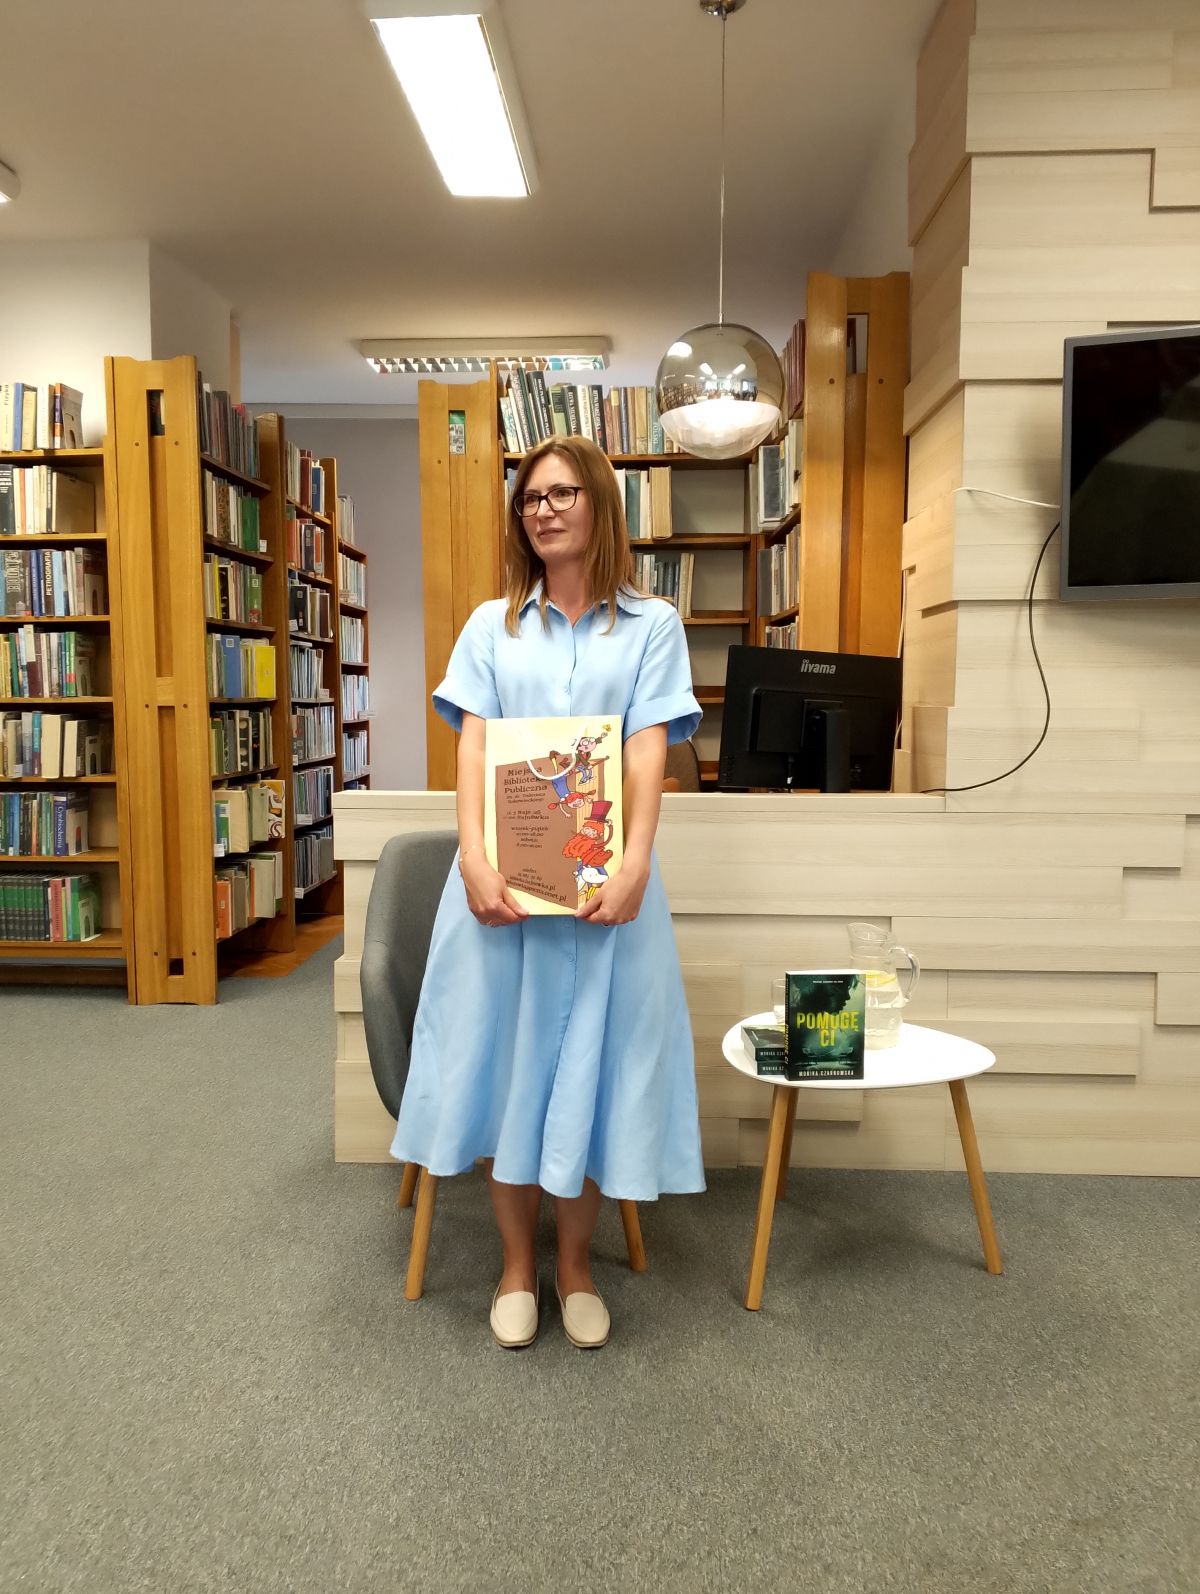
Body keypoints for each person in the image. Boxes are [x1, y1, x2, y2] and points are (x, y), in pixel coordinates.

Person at [391, 433, 705, 1350]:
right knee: (510, 1069)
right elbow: (474, 748)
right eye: (530, 498)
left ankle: (576, 1267)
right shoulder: (491, 626)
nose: (543, 510)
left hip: (608, 894)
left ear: (599, 503)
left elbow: (646, 748)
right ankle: (516, 1267)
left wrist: (637, 861)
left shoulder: (651, 626)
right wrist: (473, 859)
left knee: (593, 1073)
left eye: (562, 493)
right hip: (503, 893)